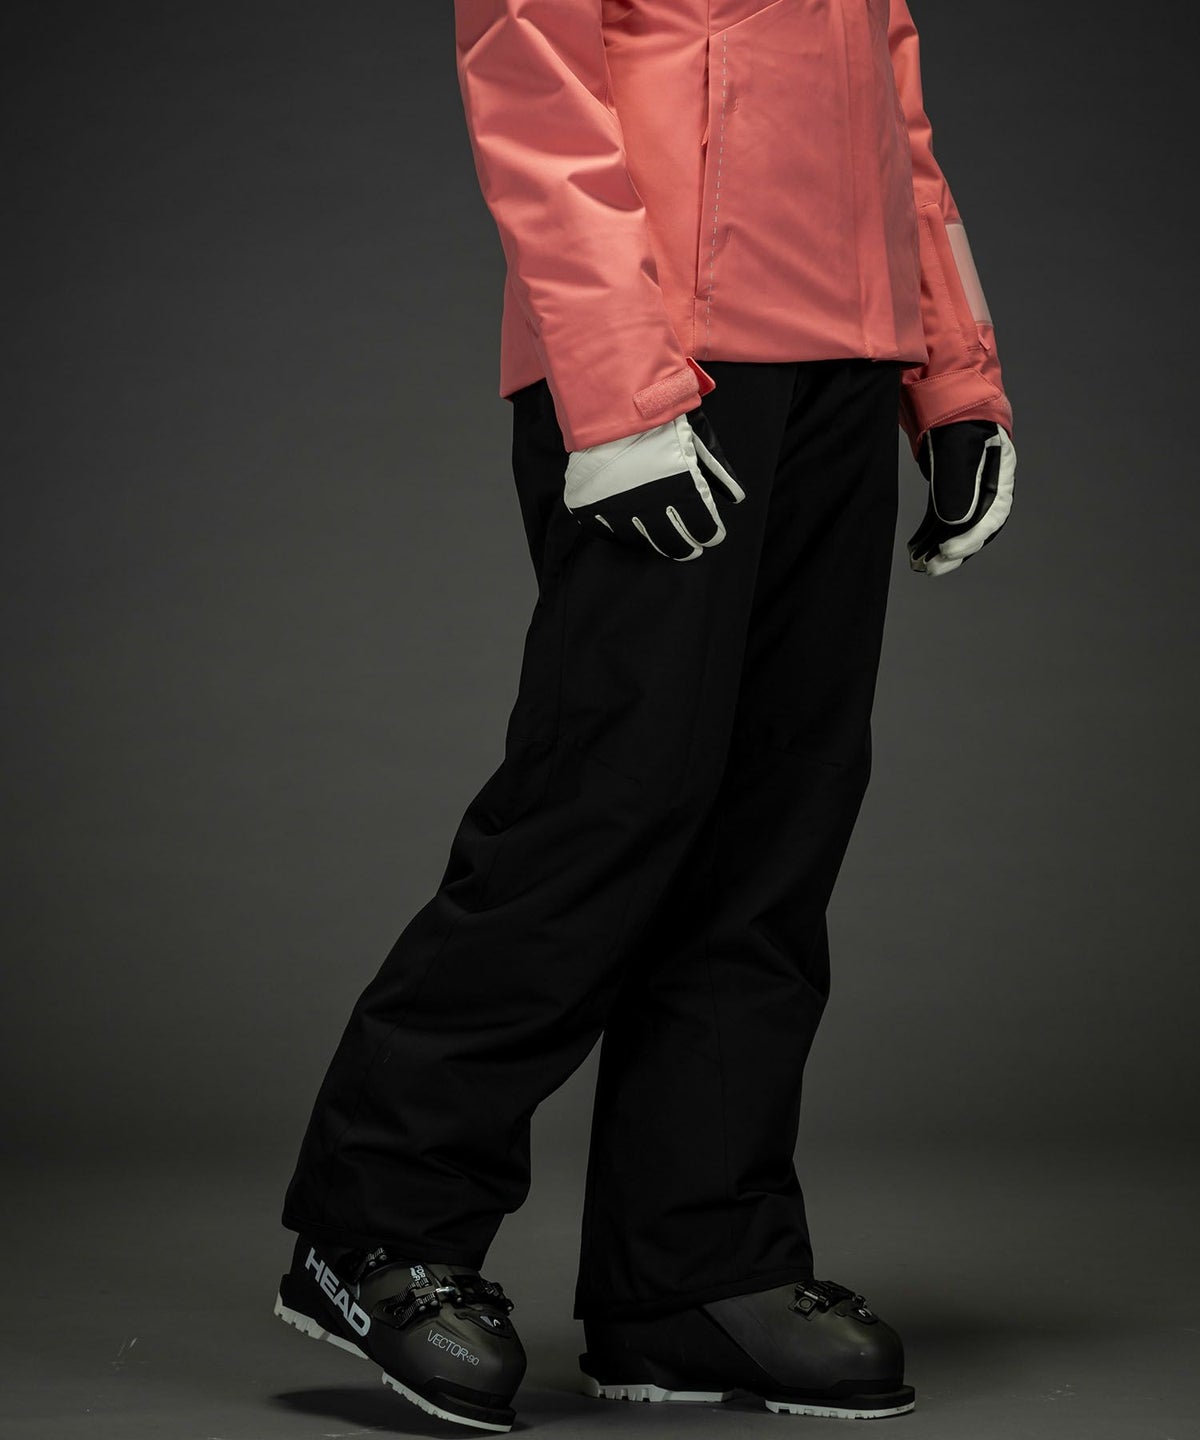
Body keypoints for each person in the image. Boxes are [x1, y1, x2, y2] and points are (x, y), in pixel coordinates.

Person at [271, 0, 1017, 1431]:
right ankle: (376, 1224)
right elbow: (531, 74)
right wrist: (618, 395)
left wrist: (954, 375)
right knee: (612, 798)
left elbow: (891, 103)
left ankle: (693, 1270)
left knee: (777, 818)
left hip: (849, 350)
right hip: (665, 358)